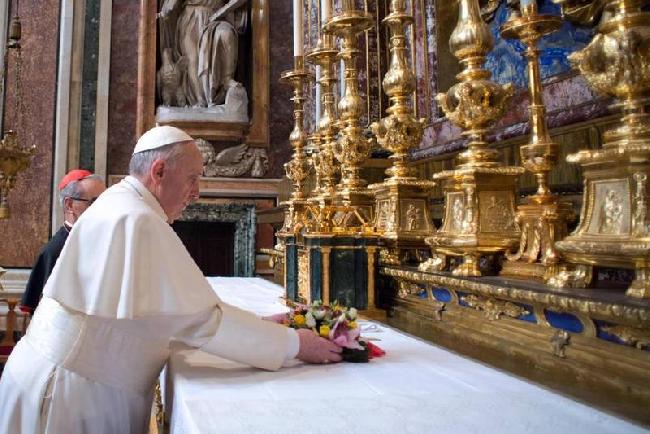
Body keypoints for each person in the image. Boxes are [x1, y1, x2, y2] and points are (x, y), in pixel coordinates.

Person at [0, 126, 341, 434]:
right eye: (193, 178)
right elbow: (199, 322)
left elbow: (162, 315)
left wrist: (261, 325)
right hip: (69, 397)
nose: (197, 193)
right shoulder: (136, 218)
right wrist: (295, 345)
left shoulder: (123, 205)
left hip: (69, 381)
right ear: (159, 171)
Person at [19, 170, 106, 314]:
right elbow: (47, 314)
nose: (104, 209)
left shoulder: (106, 241)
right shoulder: (54, 251)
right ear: (69, 205)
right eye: (94, 202)